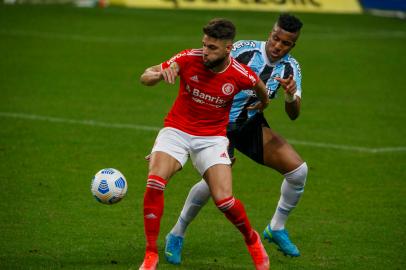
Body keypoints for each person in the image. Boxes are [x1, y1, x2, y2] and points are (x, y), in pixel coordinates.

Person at [164, 13, 308, 265]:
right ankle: (176, 233)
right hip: (215, 124)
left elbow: (294, 114)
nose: (277, 46)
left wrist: (289, 95)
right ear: (270, 33)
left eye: (285, 43)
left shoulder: (291, 68)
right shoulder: (243, 50)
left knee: (298, 172)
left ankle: (276, 228)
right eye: (275, 38)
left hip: (249, 124)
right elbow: (204, 61)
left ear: (292, 45)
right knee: (213, 185)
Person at [138, 18, 271, 270]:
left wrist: (264, 103)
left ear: (228, 49)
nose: (205, 52)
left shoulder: (240, 74)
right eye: (204, 45)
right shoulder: (188, 58)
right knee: (155, 182)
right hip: (176, 130)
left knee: (224, 201)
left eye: (212, 48)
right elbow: (145, 76)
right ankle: (150, 254)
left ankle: (252, 240)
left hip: (211, 138)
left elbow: (260, 87)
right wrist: (157, 75)